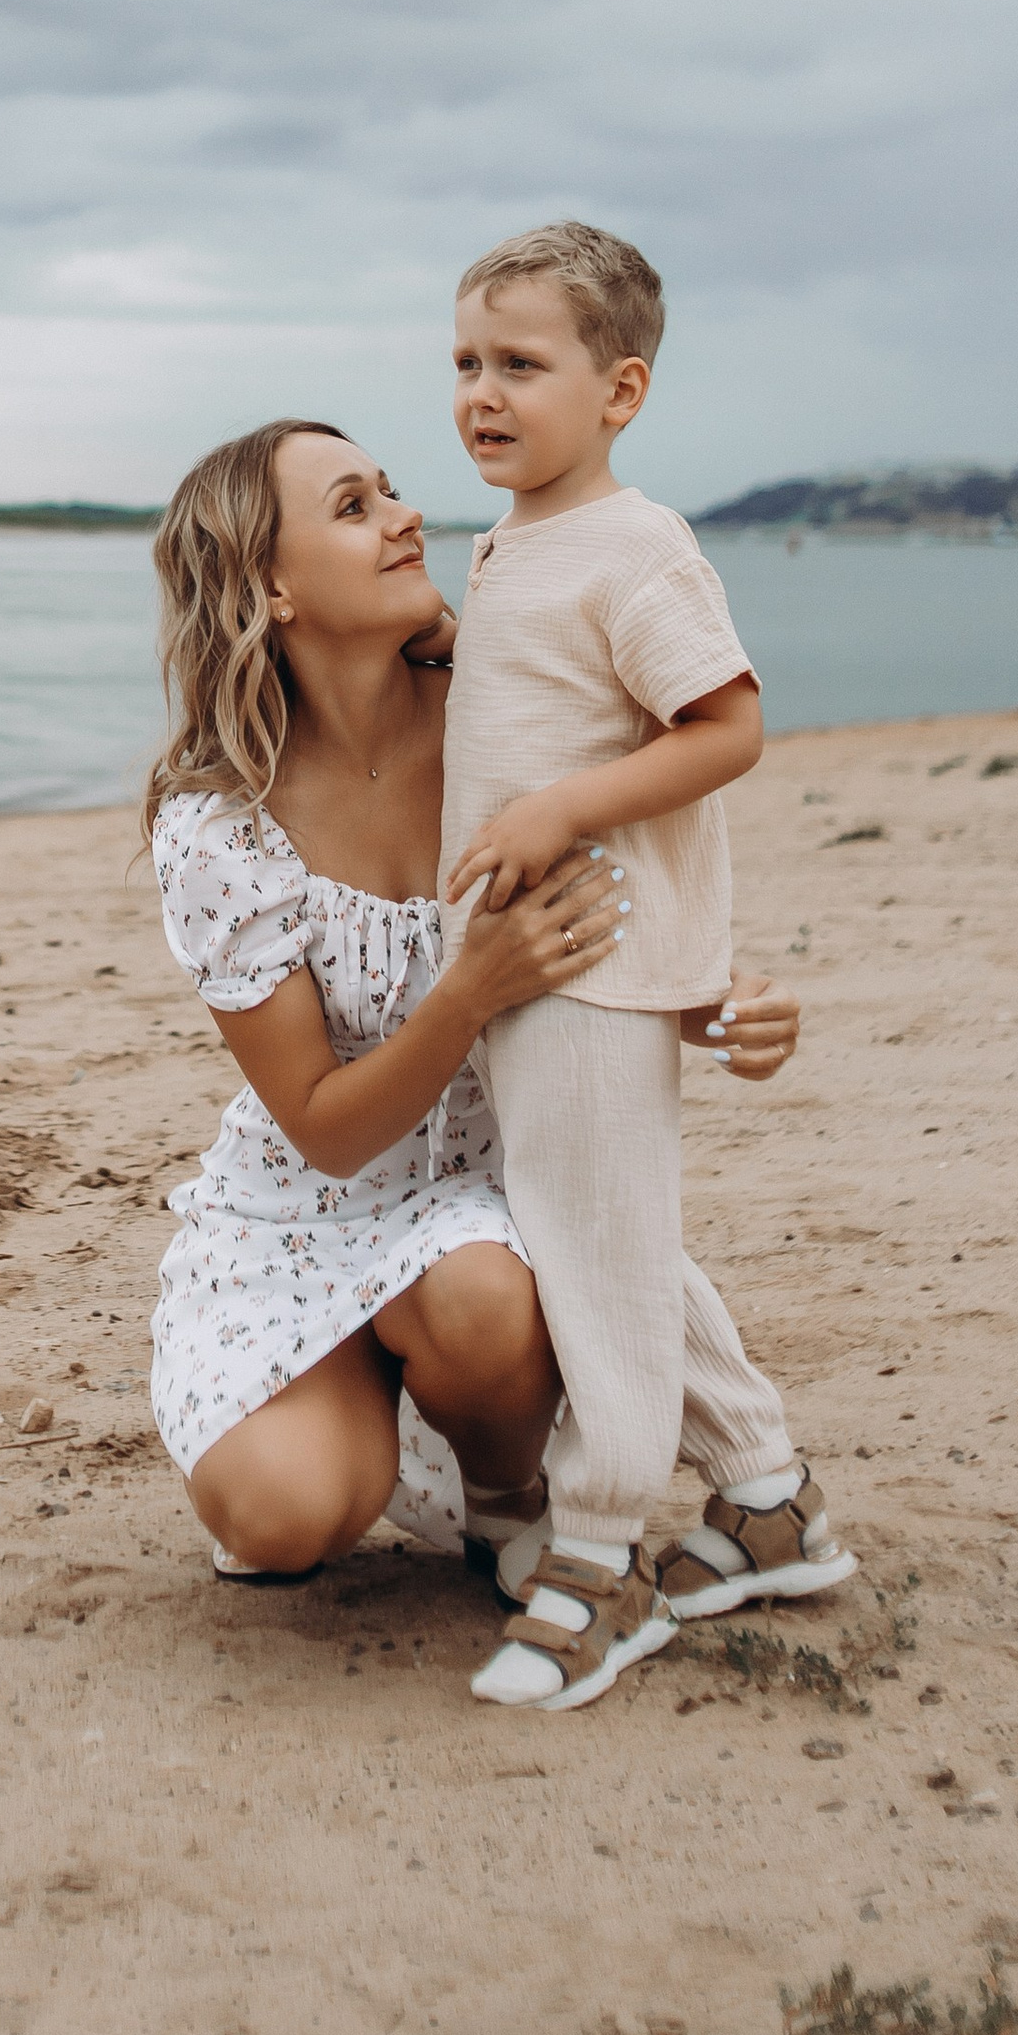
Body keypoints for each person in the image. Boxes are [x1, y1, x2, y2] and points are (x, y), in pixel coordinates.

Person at [142, 417, 806, 1639]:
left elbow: (621, 890)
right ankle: (353, 1409)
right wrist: (466, 993)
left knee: (476, 1288)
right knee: (281, 1523)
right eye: (353, 505)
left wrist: (717, 1002)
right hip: (306, 1214)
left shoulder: (503, 713)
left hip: (501, 1213)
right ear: (269, 588)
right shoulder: (219, 829)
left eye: (390, 489)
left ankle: (507, 1500)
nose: (405, 514)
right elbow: (327, 1134)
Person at [440, 222, 854, 1713]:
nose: (484, 393)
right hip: (532, 963)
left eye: (521, 365)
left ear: (620, 391)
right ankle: (767, 1499)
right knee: (602, 1235)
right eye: (468, 364)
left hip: (594, 957)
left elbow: (727, 728)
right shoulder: (505, 542)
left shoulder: (639, 545)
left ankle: (604, 1550)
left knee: (588, 1250)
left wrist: (556, 813)